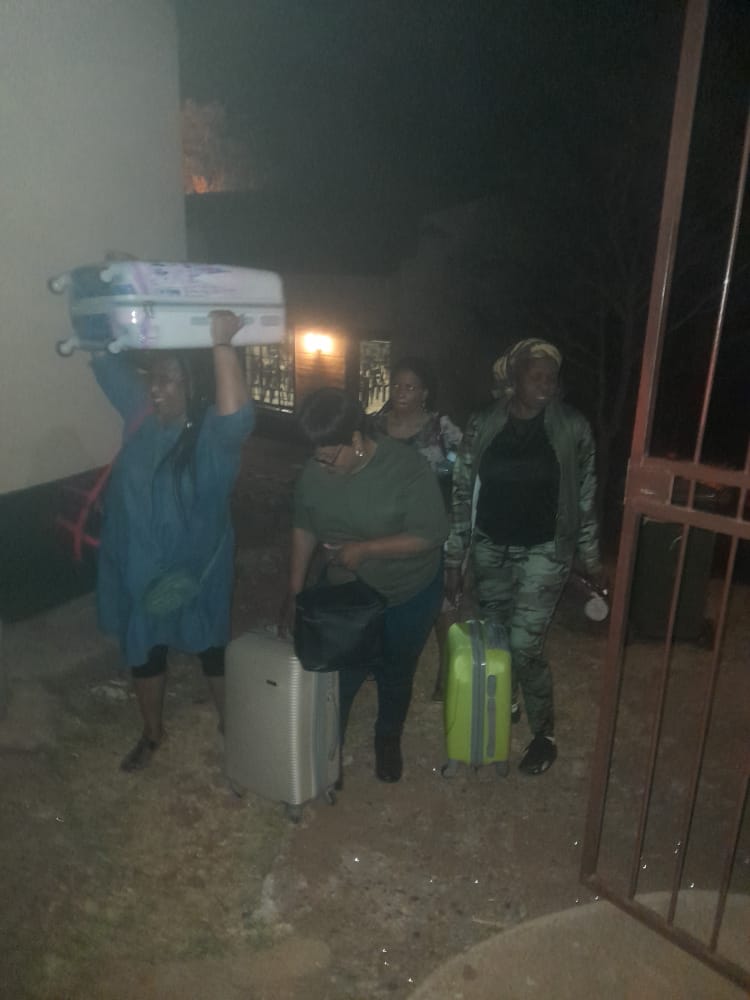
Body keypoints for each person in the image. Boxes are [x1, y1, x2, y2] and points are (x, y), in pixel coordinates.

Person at [90, 311, 254, 771]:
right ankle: (152, 733)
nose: (154, 389)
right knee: (144, 649)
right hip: (140, 568)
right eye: (152, 378)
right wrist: (106, 300)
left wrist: (222, 345)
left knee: (212, 649)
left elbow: (238, 418)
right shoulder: (141, 415)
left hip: (195, 571)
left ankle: (233, 728)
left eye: (167, 380)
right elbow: (104, 358)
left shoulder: (211, 437)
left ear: (193, 385)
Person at [444, 339, 603, 775]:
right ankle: (506, 696)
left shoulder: (572, 427)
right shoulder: (483, 422)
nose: (546, 384)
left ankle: (544, 734)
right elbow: (462, 490)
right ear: (514, 378)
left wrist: (590, 557)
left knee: (524, 645)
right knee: (496, 637)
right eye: (536, 376)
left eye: (552, 377)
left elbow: (586, 494)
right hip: (490, 545)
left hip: (547, 548)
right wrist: (454, 557)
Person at [284, 387, 447, 783]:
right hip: (348, 592)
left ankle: (387, 738)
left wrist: (366, 549)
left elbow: (432, 533)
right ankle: (329, 750)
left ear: (356, 440)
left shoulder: (405, 468)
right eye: (316, 455)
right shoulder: (315, 472)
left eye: (329, 456)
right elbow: (304, 526)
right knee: (342, 672)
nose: (321, 465)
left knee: (396, 670)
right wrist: (294, 590)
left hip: (407, 591)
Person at [369, 356, 463, 698]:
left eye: (410, 387)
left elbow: (463, 478)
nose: (401, 392)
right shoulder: (372, 427)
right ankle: (381, 663)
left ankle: (448, 673)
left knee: (443, 604)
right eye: (396, 385)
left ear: (424, 393)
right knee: (379, 597)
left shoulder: (443, 430)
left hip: (433, 527)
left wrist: (458, 533)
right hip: (381, 528)